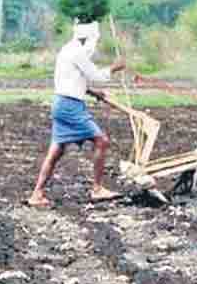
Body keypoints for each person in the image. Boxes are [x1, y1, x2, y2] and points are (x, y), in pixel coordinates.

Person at [28, 21, 127, 208]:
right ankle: (97, 189)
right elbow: (96, 76)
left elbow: (73, 79)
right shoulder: (78, 52)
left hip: (61, 103)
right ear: (87, 38)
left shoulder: (66, 50)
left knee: (56, 150)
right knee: (102, 141)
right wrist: (115, 67)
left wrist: (93, 93)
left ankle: (37, 194)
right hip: (70, 107)